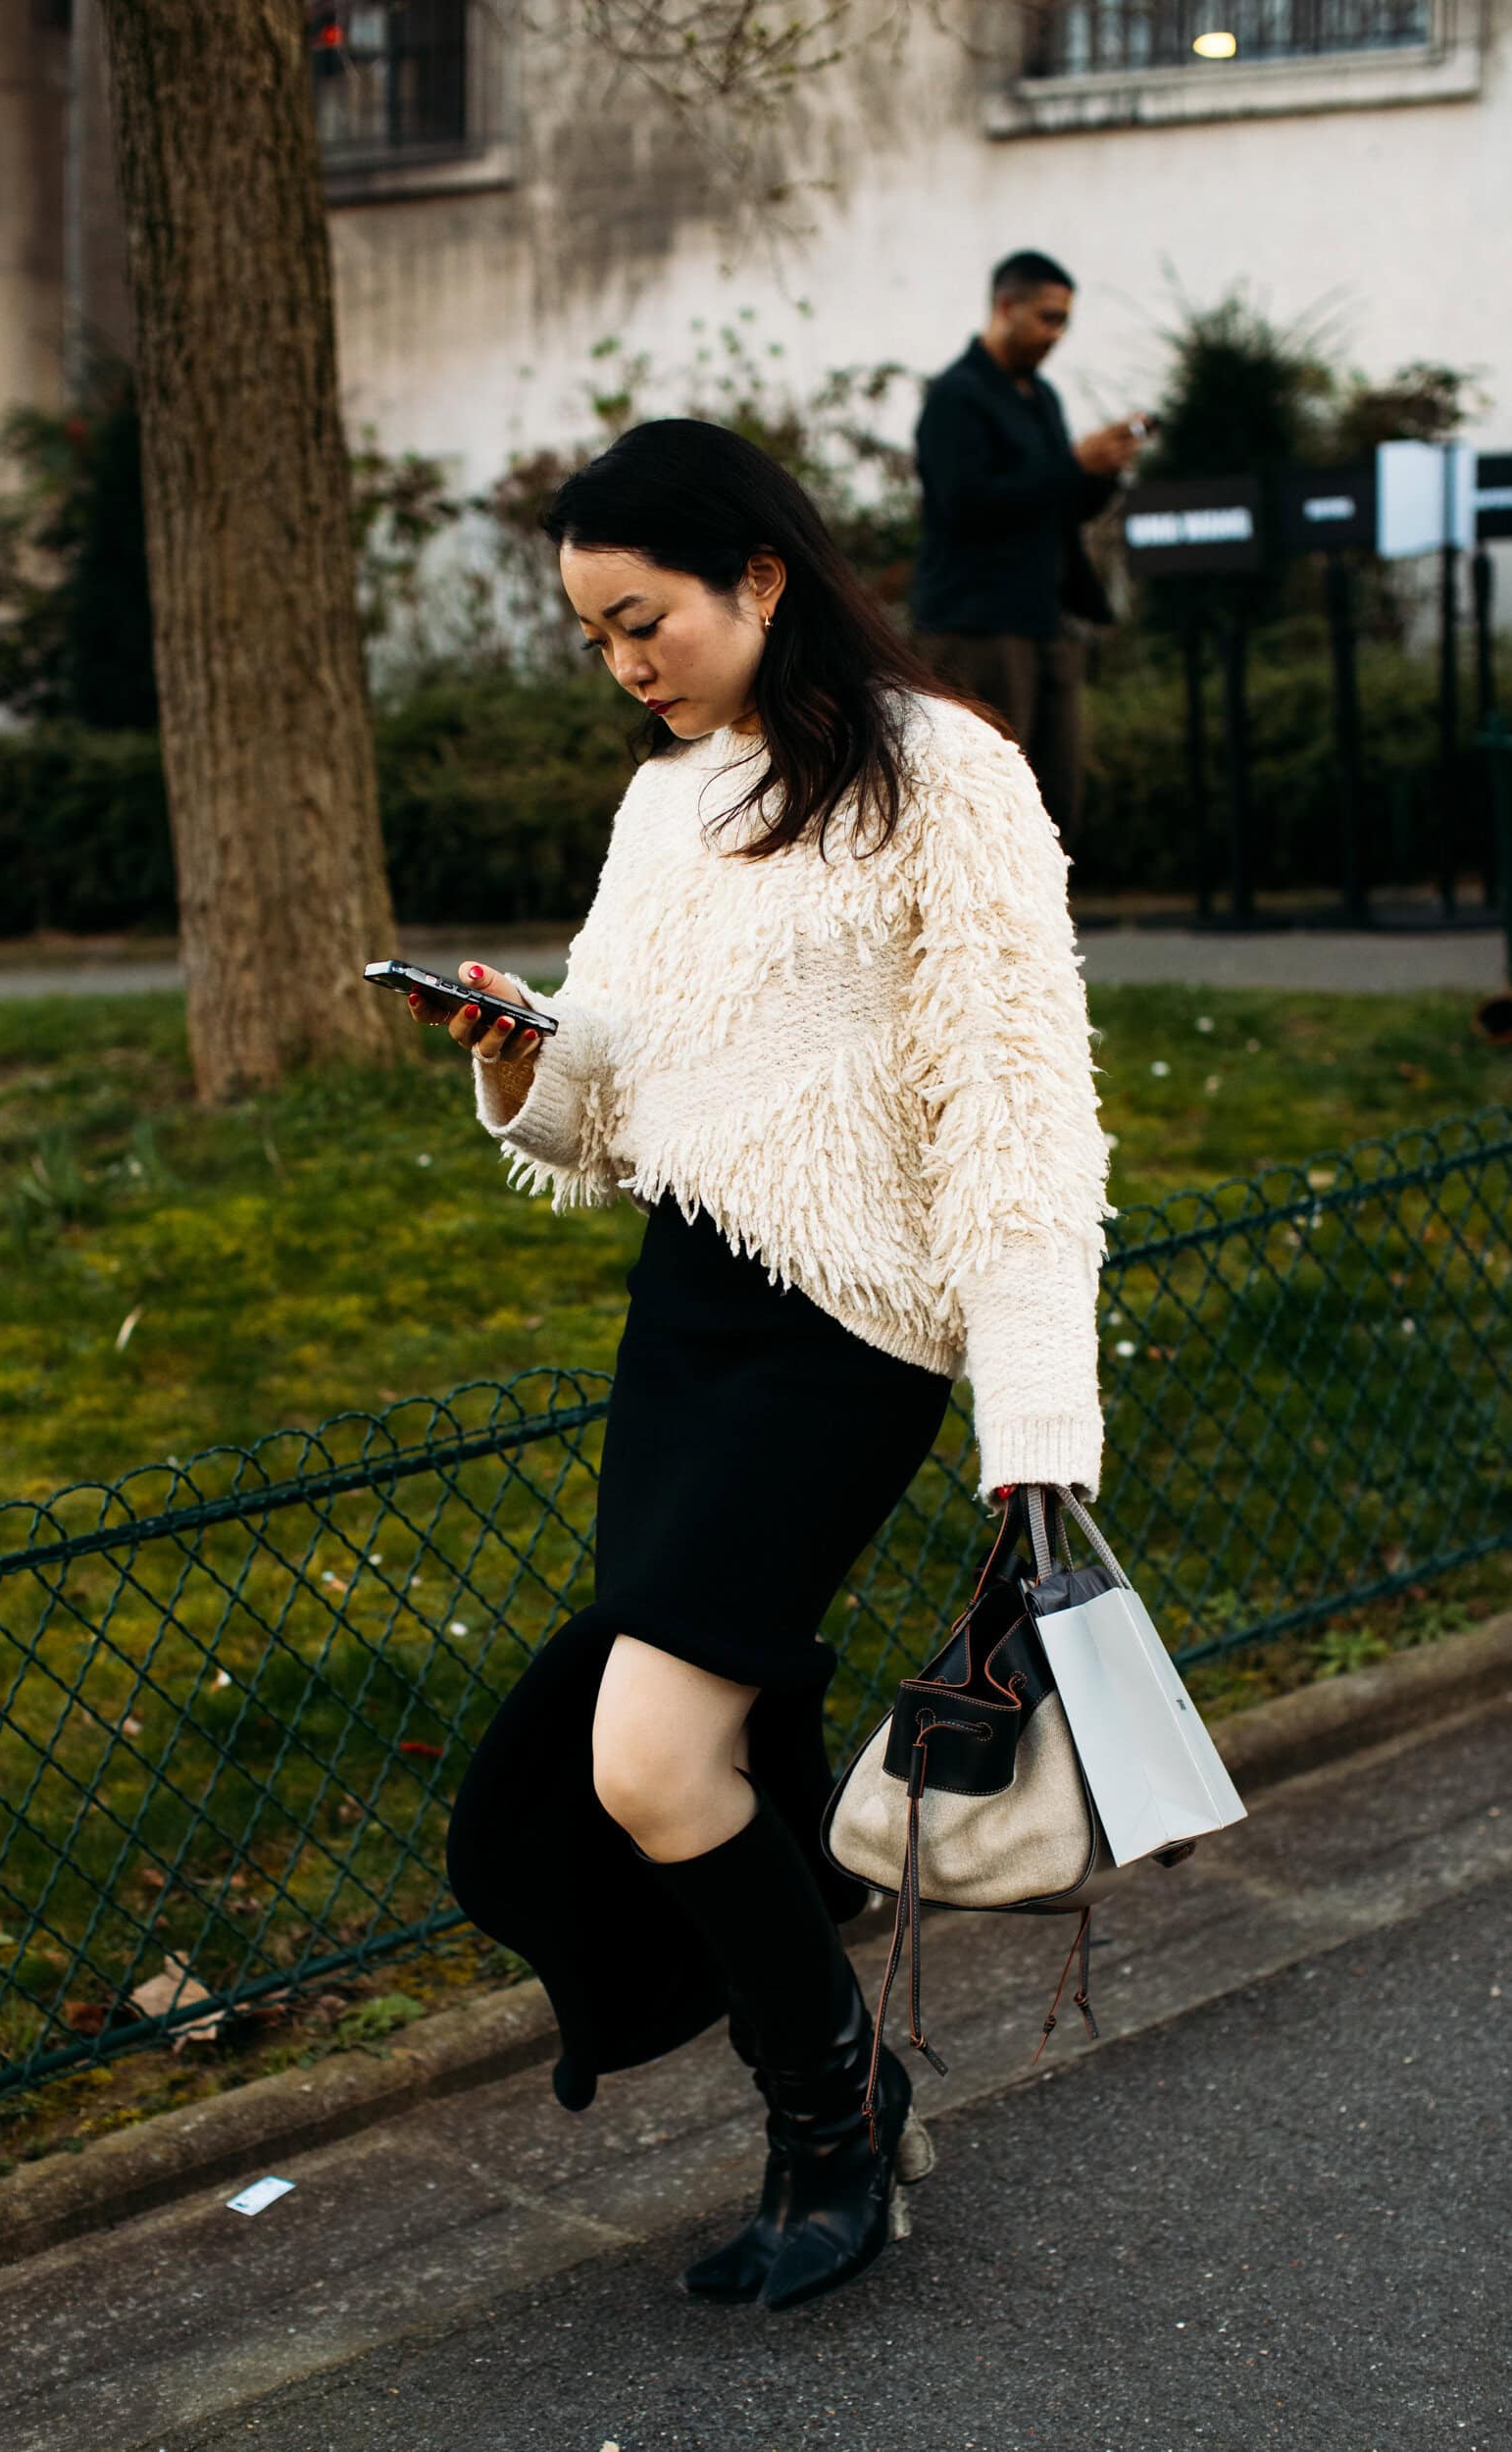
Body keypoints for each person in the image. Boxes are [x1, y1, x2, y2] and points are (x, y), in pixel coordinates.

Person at [415, 418, 1111, 2313]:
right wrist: (516, 1057)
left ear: (761, 574)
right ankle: (839, 2082)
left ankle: (833, 2115)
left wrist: (1036, 1416)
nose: (627, 662)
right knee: (699, 1750)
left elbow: (1017, 1106)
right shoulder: (662, 802)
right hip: (690, 1312)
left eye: (644, 618)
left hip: (849, 1330)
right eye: (596, 638)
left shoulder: (942, 775)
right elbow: (612, 1108)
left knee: (644, 1760)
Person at [912, 247, 1146, 841]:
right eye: (1047, 317)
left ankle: (1038, 929)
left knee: (1053, 801)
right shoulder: (956, 397)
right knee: (983, 807)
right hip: (976, 626)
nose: (1057, 334)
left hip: (1044, 620)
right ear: (1005, 306)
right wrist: (1072, 465)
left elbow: (1057, 508)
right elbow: (967, 505)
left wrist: (1100, 472)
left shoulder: (1041, 399)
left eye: (1064, 320)